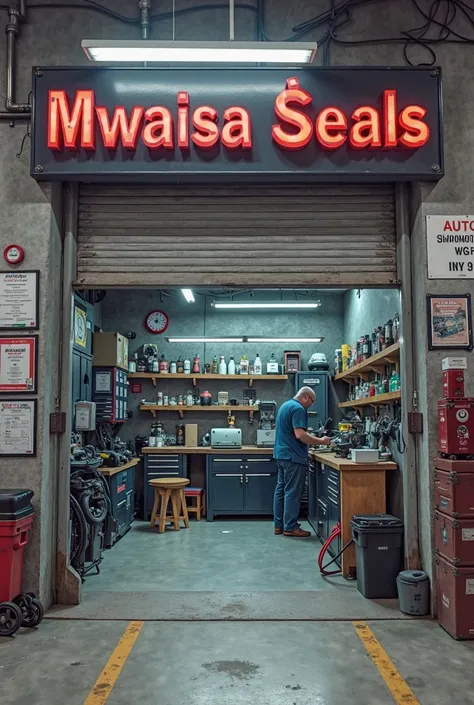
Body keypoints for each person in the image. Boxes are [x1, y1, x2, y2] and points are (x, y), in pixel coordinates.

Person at [273, 386, 332, 537]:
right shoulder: (299, 409)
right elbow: (299, 435)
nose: (311, 404)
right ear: (305, 397)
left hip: (281, 455)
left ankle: (279, 525)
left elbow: (294, 432)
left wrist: (310, 435)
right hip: (293, 457)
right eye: (312, 401)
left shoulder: (285, 406)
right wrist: (322, 441)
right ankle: (290, 527)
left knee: (281, 491)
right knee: (292, 492)